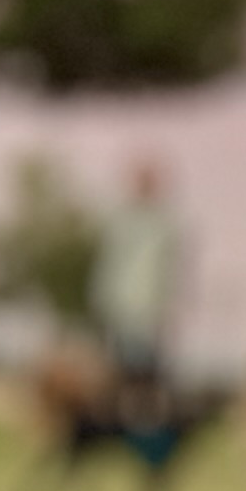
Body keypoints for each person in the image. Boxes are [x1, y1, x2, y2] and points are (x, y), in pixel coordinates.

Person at [92, 157, 189, 398]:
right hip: (121, 304)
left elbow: (171, 268)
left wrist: (170, 303)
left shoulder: (165, 223)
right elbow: (108, 263)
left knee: (149, 366)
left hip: (151, 306)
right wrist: (103, 298)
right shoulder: (119, 220)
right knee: (120, 364)